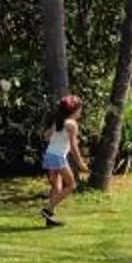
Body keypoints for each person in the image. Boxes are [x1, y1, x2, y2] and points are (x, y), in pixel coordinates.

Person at [40, 94, 86, 227]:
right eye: (80, 109)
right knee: (71, 185)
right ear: (74, 110)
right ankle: (48, 210)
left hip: (49, 155)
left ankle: (51, 219)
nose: (81, 112)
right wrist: (81, 163)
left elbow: (46, 137)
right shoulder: (72, 124)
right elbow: (73, 147)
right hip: (58, 157)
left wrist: (60, 138)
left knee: (57, 187)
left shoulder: (59, 121)